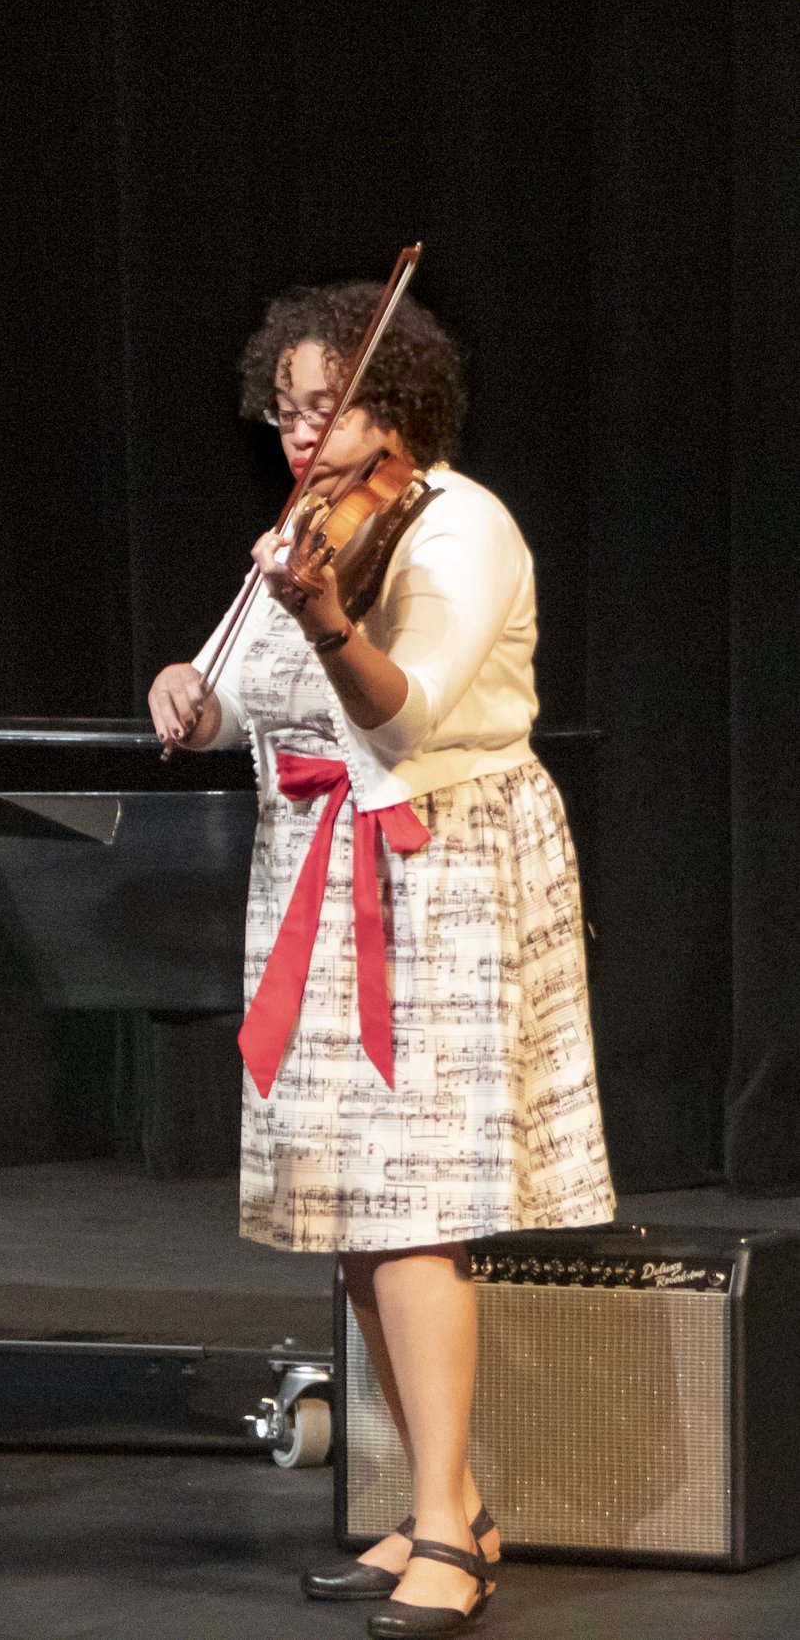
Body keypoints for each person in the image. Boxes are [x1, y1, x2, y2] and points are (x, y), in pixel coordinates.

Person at [151, 286, 613, 1638]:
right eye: (288, 408)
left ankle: (454, 1524)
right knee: (359, 1211)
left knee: (414, 1208)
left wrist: (330, 618)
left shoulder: (461, 526)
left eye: (329, 404)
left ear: (398, 408)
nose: (303, 432)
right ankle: (439, 1503)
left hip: (434, 871)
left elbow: (404, 721)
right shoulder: (302, 537)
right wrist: (192, 681)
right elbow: (244, 688)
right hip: (316, 867)